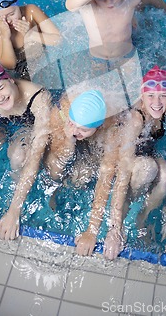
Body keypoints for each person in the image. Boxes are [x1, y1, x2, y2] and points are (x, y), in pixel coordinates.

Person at [103, 65, 166, 261]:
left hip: (145, 152)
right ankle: (127, 209)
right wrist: (115, 228)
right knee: (148, 168)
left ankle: (144, 216)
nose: (157, 102)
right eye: (151, 96)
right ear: (142, 94)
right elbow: (123, 169)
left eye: (163, 96)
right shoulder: (136, 119)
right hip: (120, 156)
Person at [46, 89, 124, 256]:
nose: (75, 131)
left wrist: (92, 230)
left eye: (83, 130)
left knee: (85, 174)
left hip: (97, 149)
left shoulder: (112, 129)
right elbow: (55, 158)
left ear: (99, 125)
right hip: (68, 147)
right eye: (73, 125)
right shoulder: (60, 113)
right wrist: (69, 140)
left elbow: (106, 178)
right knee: (54, 165)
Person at [0, 62, 51, 240]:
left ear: (10, 80)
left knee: (19, 157)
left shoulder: (39, 98)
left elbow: (36, 156)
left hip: (28, 125)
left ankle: (13, 195)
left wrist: (14, 210)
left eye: (1, 88)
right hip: (0, 122)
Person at [0, 0, 61, 79]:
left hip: (44, 56)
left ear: (18, 6)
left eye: (11, 14)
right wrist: (5, 38)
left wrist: (31, 34)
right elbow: (10, 66)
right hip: (21, 68)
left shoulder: (31, 12)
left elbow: (57, 40)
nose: (7, 21)